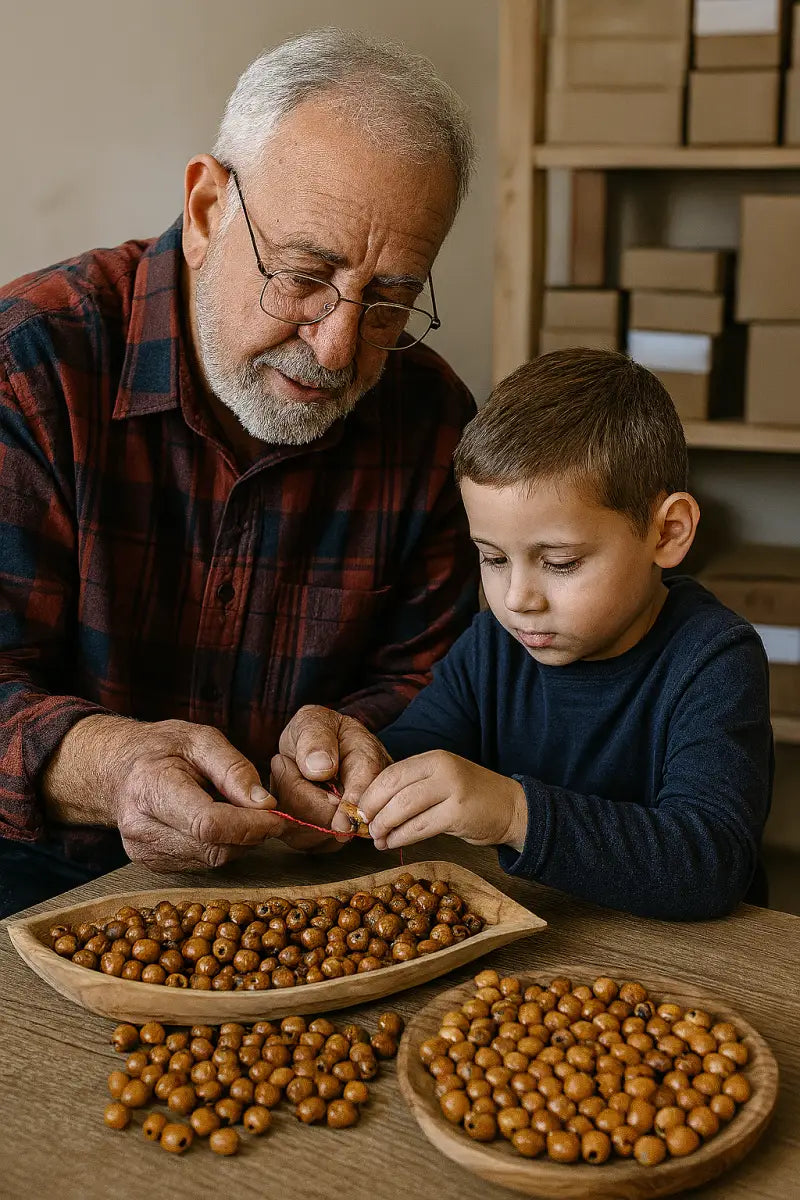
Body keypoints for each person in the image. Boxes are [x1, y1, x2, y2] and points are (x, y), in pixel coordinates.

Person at [0, 29, 479, 915]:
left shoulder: (434, 422)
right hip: (32, 877)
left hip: (308, 884)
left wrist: (359, 737)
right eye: (304, 276)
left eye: (391, 301)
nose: (337, 348)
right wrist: (113, 770)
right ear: (207, 209)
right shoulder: (31, 364)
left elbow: (438, 677)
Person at [353, 349, 773, 920]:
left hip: (691, 970)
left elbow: (711, 863)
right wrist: (354, 769)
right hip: (537, 950)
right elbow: (415, 756)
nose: (518, 599)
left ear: (667, 532)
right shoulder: (494, 646)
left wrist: (513, 813)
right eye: (493, 559)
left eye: (560, 562)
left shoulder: (715, 660)